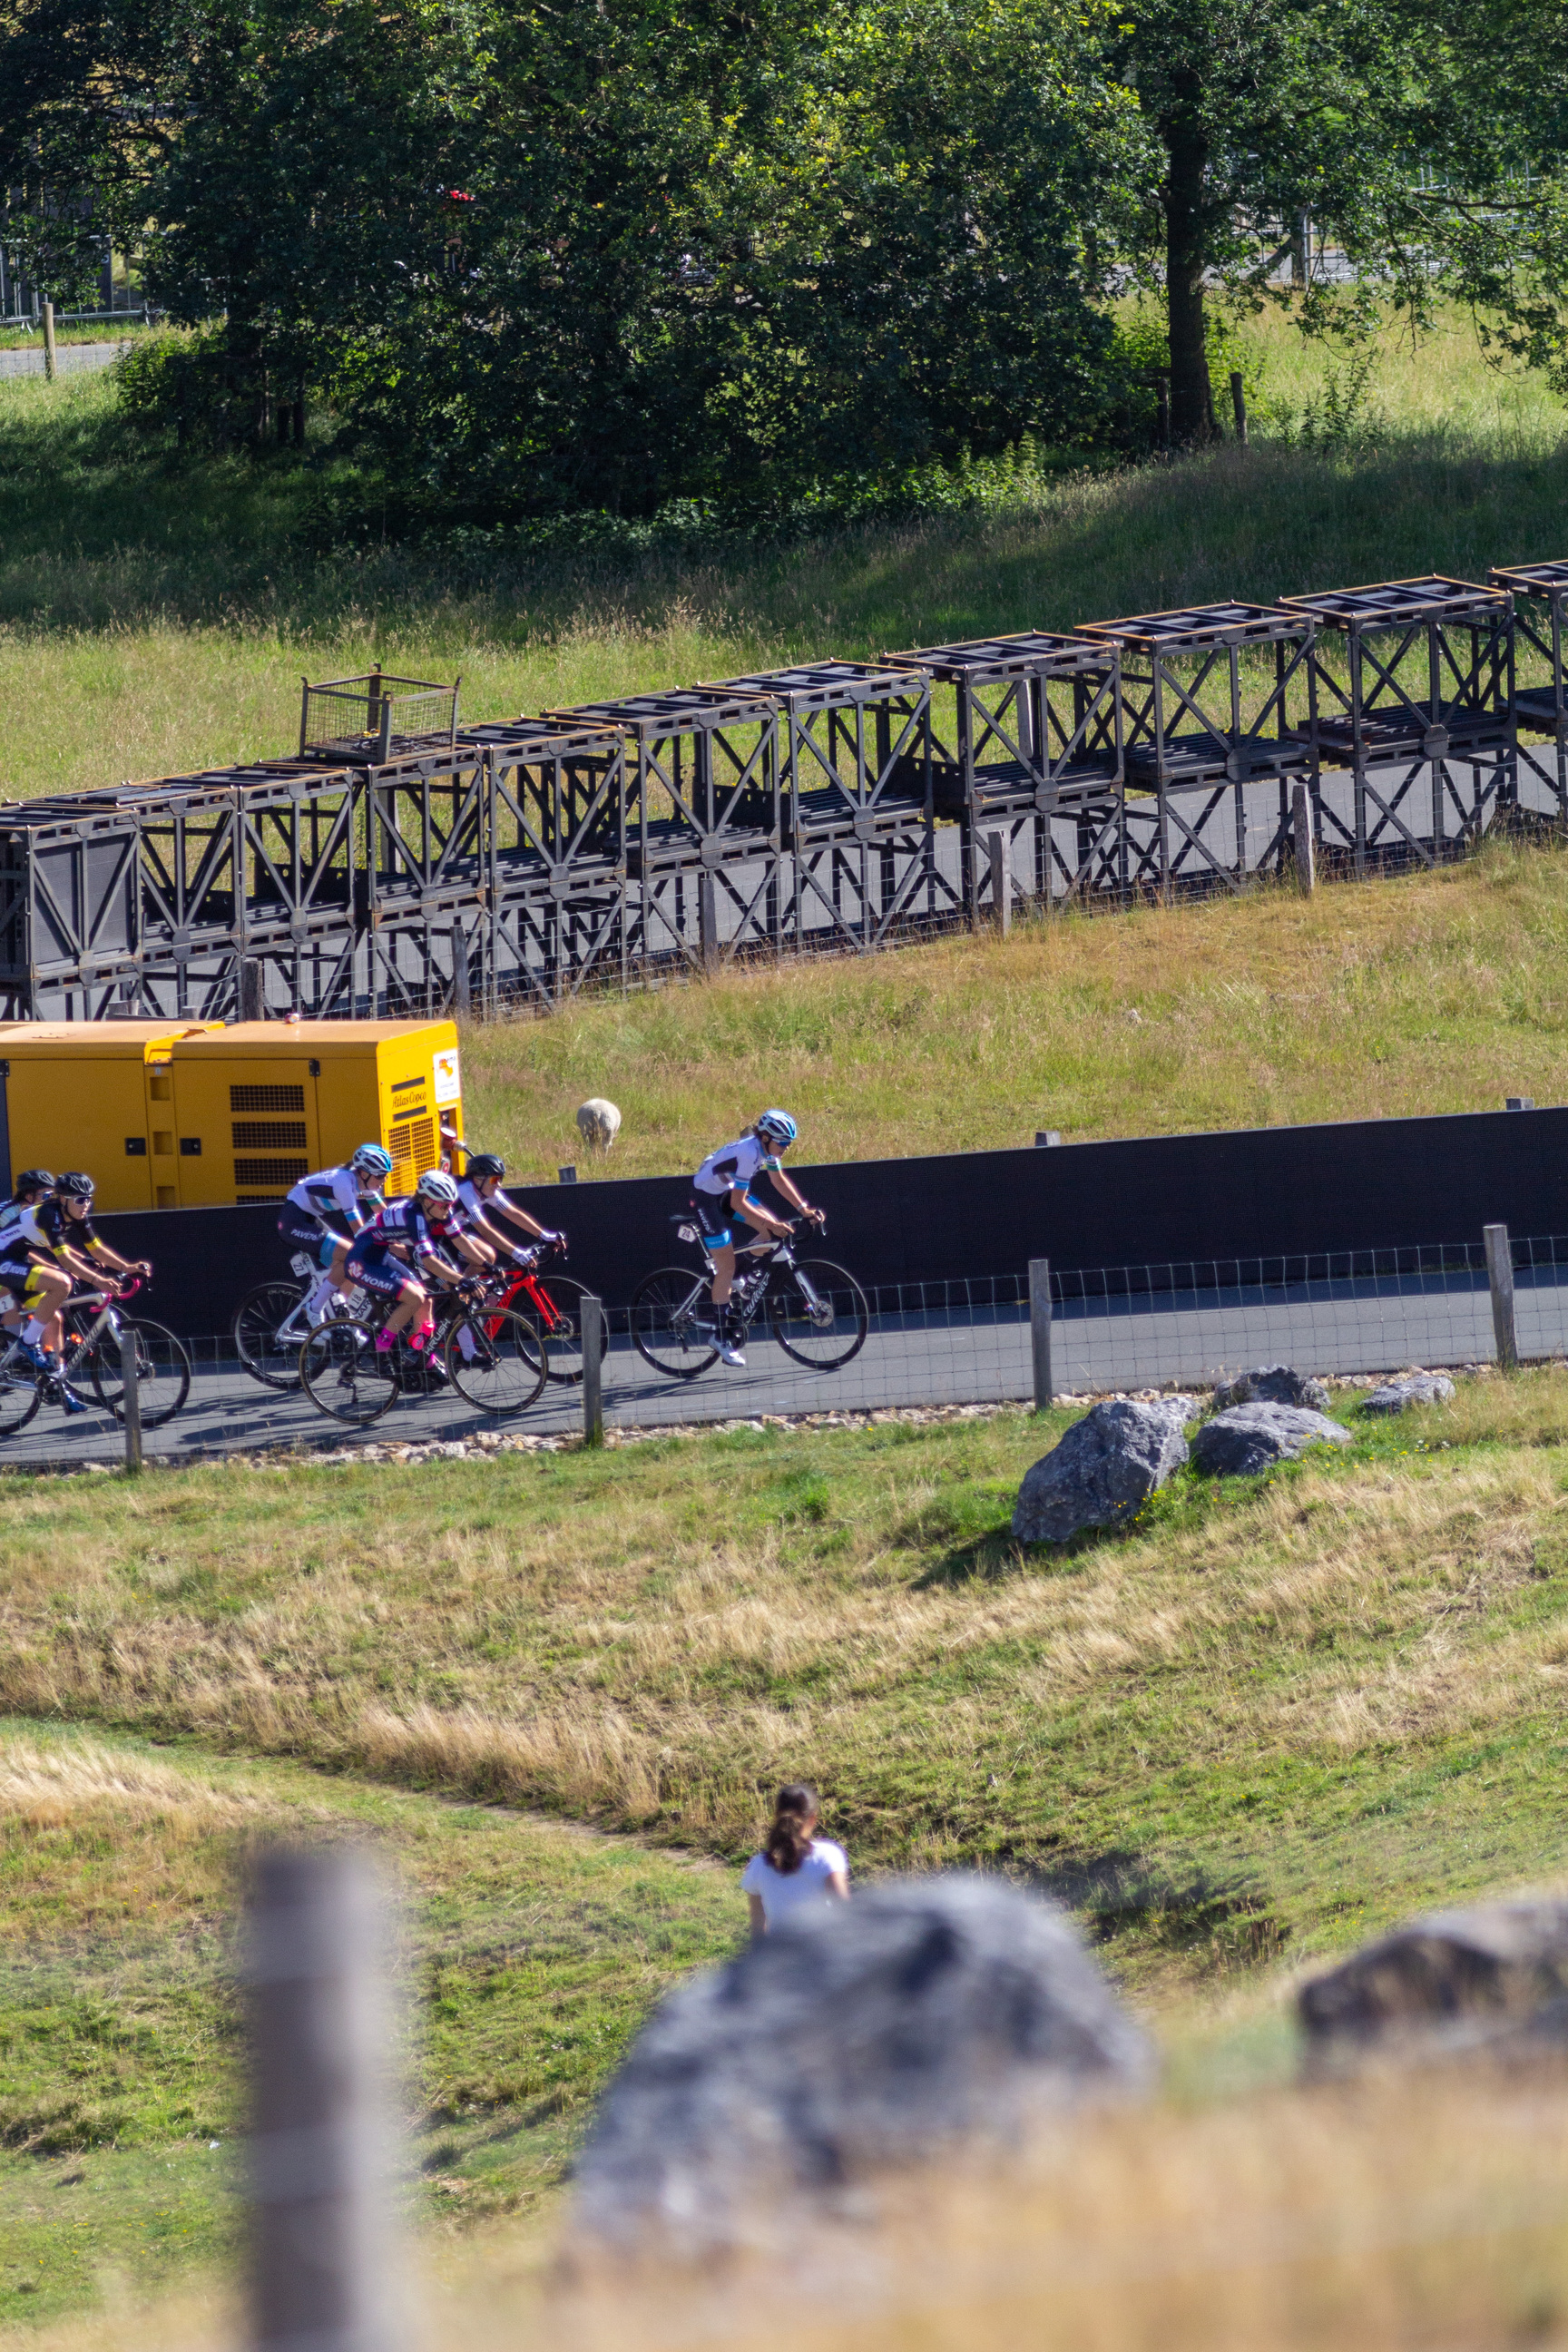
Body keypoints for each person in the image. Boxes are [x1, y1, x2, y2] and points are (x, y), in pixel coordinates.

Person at [8, 1173, 152, 1411]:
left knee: (54, 1318)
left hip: (20, 1261)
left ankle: (59, 1387)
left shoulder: (75, 1214)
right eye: (80, 1200)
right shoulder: (49, 1214)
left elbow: (96, 1249)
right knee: (62, 1283)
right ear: (63, 1200)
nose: (86, 1205)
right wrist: (99, 1280)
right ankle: (27, 1342)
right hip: (5, 1262)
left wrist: (127, 1267)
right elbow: (64, 1258)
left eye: (89, 1200)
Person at [690, 1111, 823, 1367]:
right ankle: (720, 1337)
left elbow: (778, 1179)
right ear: (765, 1137)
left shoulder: (766, 1151)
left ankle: (742, 1278)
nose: (786, 1148)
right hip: (706, 1199)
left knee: (771, 1233)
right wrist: (772, 1222)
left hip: (725, 1191)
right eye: (783, 1143)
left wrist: (803, 1208)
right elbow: (738, 1204)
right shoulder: (750, 1154)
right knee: (726, 1265)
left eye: (789, 1144)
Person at [341, 1168, 491, 1373]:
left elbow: (460, 1240)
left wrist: (487, 1265)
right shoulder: (415, 1217)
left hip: (381, 1254)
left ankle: (424, 1357)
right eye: (445, 1205)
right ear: (428, 1201)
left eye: (451, 1205)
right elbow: (429, 1261)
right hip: (361, 1262)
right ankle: (381, 1351)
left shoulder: (435, 1210)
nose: (449, 1210)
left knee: (426, 1299)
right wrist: (462, 1280)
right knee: (414, 1298)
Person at [279, 1144, 394, 1321]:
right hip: (293, 1222)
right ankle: (314, 1309)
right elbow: (359, 1230)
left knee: (351, 1267)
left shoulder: (365, 1184)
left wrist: (400, 1235)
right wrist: (389, 1247)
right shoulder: (344, 1183)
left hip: (310, 1218)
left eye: (385, 1175)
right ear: (364, 1173)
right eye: (380, 1175)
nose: (384, 1180)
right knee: (351, 1255)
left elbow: (384, 1215)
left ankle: (348, 1321)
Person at [741, 1784, 849, 1938]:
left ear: (776, 1816)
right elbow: (844, 1910)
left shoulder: (759, 1864)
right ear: (813, 1818)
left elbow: (758, 1931)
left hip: (781, 1957)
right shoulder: (827, 1855)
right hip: (825, 1952)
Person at [454, 1152, 565, 1265]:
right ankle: (460, 1282)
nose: (498, 1185)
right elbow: (485, 1230)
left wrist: (545, 1235)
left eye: (500, 1179)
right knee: (486, 1256)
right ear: (477, 1179)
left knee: (486, 1259)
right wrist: (517, 1254)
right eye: (494, 1180)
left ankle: (465, 1282)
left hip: (454, 1229)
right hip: (439, 1233)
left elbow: (513, 1213)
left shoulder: (484, 1189)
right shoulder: (464, 1191)